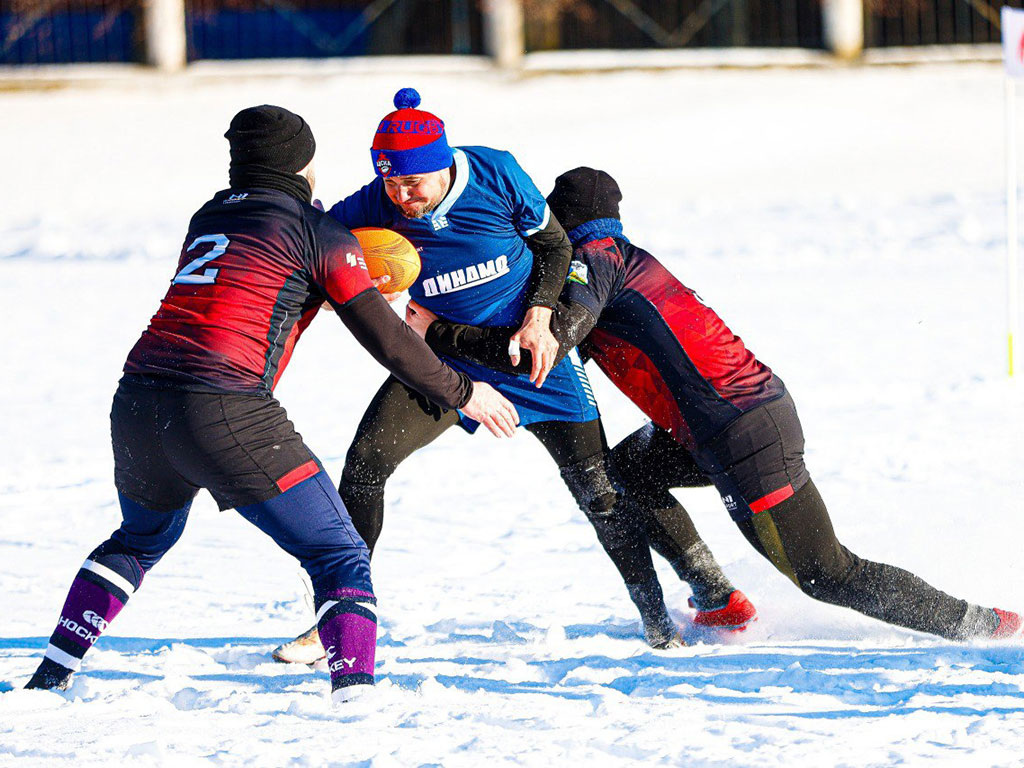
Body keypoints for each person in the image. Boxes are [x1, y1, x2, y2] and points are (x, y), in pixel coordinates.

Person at [24, 105, 521, 704]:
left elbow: (249, 286)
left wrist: (324, 282)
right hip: (223, 405)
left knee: (139, 540)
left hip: (137, 402)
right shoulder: (318, 233)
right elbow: (388, 340)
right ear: (303, 166)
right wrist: (465, 392)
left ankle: (50, 675)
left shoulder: (208, 215)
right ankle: (356, 699)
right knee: (339, 553)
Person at [407, 166, 1023, 642]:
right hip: (726, 422)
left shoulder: (594, 263)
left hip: (743, 433)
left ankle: (983, 625)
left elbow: (546, 347)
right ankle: (718, 600)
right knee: (629, 471)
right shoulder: (620, 258)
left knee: (825, 572)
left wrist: (436, 333)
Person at [271, 90, 755, 667]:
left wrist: (541, 314)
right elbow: (315, 241)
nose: (401, 198)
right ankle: (337, 617)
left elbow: (553, 244)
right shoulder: (376, 203)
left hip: (537, 358)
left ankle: (657, 621)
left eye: (413, 184)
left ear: (442, 164)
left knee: (601, 493)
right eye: (391, 184)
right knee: (365, 464)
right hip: (445, 360)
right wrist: (340, 282)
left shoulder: (496, 173)